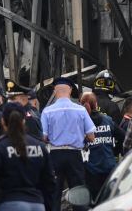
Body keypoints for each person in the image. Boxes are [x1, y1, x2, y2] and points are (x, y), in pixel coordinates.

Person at [0, 102, 56, 211]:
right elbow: (49, 181)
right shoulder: (40, 147)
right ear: (23, 121)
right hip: (37, 204)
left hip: (9, 203)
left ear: (3, 121)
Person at [39, 78, 95, 211]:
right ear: (70, 90)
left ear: (55, 91)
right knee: (78, 193)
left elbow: (43, 137)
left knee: (54, 193)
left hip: (55, 155)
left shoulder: (47, 111)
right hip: (74, 154)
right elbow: (92, 137)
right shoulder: (80, 110)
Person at [79, 93, 119, 201]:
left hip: (91, 170)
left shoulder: (80, 124)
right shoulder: (108, 120)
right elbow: (123, 136)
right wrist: (113, 150)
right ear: (96, 104)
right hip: (110, 167)